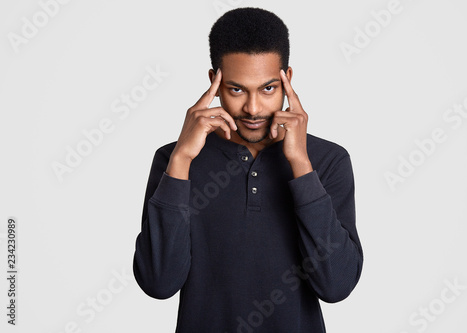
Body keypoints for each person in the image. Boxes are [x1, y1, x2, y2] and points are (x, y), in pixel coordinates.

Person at [133, 7, 363, 333]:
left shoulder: (327, 160)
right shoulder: (173, 161)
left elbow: (336, 286)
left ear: (288, 80)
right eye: (237, 89)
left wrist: (300, 163)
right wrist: (182, 159)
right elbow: (158, 283)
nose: (253, 109)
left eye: (268, 88)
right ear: (214, 82)